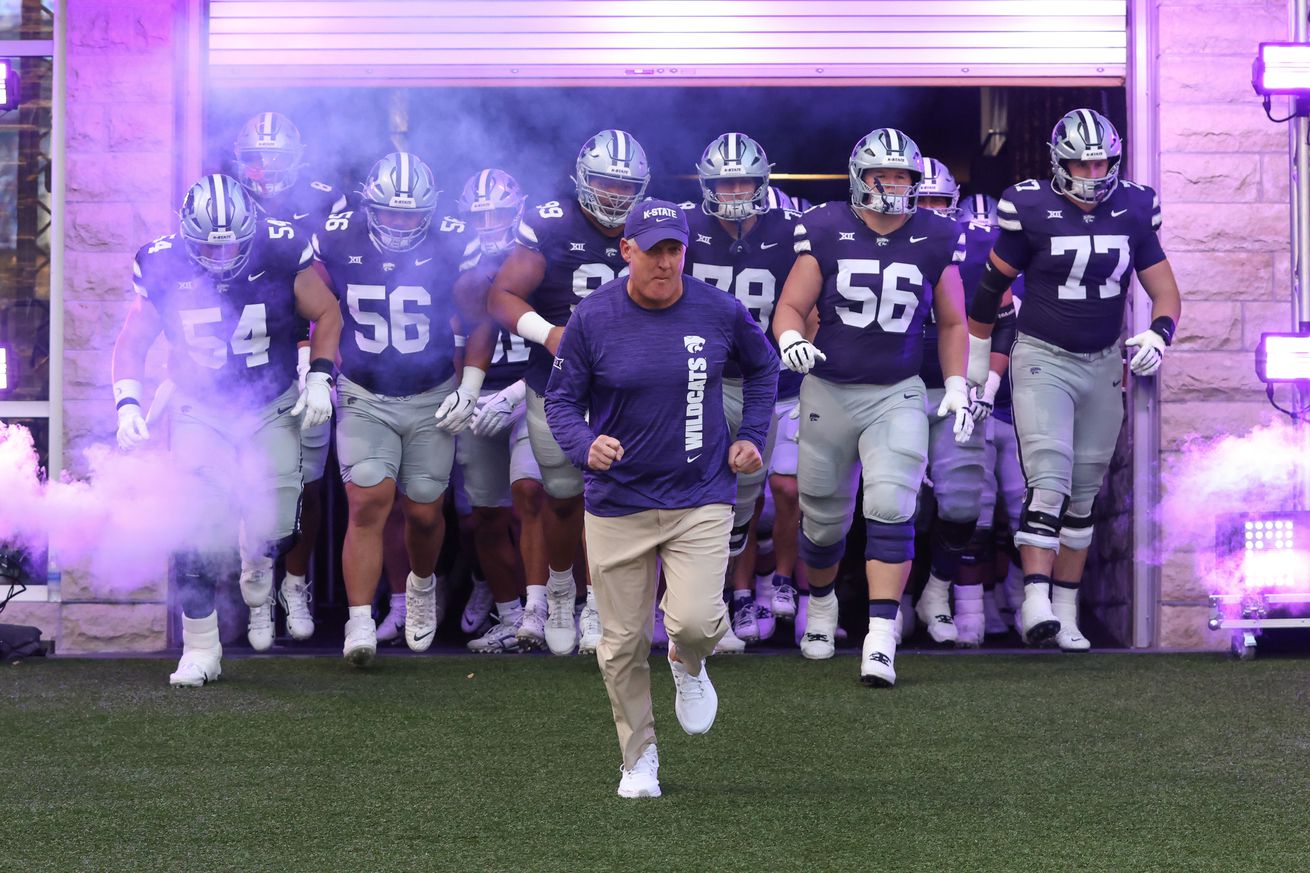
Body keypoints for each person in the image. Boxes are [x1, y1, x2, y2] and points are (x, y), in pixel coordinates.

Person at [544, 200, 777, 798]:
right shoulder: (592, 319)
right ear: (626, 251)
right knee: (619, 645)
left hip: (700, 493)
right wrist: (583, 444)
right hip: (618, 502)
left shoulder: (718, 309)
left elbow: (764, 367)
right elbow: (560, 403)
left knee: (698, 623)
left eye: (676, 249)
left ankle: (686, 660)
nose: (667, 262)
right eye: (654, 250)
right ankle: (638, 759)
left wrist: (751, 435)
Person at [112, 173, 341, 685]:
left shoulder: (280, 247)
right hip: (200, 407)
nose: (221, 258)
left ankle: (257, 553)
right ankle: (200, 649)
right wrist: (128, 404)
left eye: (232, 245)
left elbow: (327, 312)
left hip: (272, 401)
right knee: (195, 531)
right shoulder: (161, 260)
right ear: (186, 235)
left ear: (251, 229)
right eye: (208, 248)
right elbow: (133, 342)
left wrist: (321, 377)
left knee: (280, 531)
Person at [966, 108, 1182, 650]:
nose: (1093, 173)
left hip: (1104, 360)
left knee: (1084, 494)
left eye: (1102, 162)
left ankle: (1065, 610)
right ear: (1059, 162)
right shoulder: (1029, 204)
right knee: (1050, 477)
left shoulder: (1135, 204)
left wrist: (1158, 334)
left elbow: (1166, 293)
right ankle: (1034, 599)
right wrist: (976, 369)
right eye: (1081, 164)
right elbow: (990, 290)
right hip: (1042, 355)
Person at [772, 128, 979, 688]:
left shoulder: (937, 234)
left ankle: (880, 637)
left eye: (904, 177)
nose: (894, 187)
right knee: (822, 518)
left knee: (891, 505)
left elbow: (955, 321)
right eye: (883, 176)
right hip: (829, 390)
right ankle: (820, 605)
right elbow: (790, 305)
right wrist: (791, 338)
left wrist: (958, 382)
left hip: (897, 391)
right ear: (860, 178)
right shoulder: (825, 225)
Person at [312, 151, 487, 665]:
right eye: (388, 212)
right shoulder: (336, 236)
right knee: (367, 502)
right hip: (364, 392)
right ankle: (360, 621)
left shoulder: (454, 241)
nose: (399, 223)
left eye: (410, 214)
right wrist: (314, 369)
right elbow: (312, 306)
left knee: (425, 511)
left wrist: (470, 385)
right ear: (370, 207)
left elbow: (480, 319)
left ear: (430, 211)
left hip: (431, 391)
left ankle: (421, 585)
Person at [487, 130, 652, 656]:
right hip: (558, 385)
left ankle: (600, 602)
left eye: (624, 185)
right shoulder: (551, 222)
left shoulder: (654, 226)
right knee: (561, 500)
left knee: (619, 500)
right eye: (604, 181)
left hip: (629, 385)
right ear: (582, 177)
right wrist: (551, 334)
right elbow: (503, 294)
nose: (613, 195)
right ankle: (560, 591)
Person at [682, 132, 805, 644]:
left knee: (754, 492)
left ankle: (763, 591)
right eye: (724, 182)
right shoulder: (684, 226)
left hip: (767, 379)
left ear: (763, 183)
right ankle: (706, 601)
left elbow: (810, 303)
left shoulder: (792, 229)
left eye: (744, 182)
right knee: (698, 493)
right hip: (703, 381)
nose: (734, 192)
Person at [231, 111, 348, 644]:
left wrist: (318, 363)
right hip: (253, 358)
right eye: (255, 157)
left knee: (306, 480)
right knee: (248, 481)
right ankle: (257, 594)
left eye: (274, 158)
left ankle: (295, 584)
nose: (264, 169)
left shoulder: (325, 200)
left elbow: (340, 287)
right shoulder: (224, 201)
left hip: (316, 355)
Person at [452, 168, 548, 654]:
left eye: (498, 213)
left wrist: (516, 392)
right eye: (480, 214)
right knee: (484, 515)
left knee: (535, 495)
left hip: (531, 387)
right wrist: (463, 392)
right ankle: (510, 613)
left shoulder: (535, 254)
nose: (488, 223)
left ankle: (544, 609)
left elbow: (558, 337)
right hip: (483, 387)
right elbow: (464, 334)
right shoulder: (464, 260)